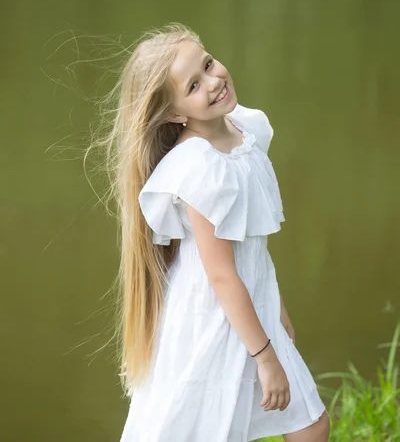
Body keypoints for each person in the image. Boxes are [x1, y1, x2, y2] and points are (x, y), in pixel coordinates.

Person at [102, 23, 330, 441]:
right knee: (205, 428)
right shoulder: (199, 168)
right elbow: (221, 274)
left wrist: (275, 311)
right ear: (174, 113)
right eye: (193, 85)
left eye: (208, 64)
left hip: (249, 307)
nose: (213, 81)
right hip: (211, 320)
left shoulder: (248, 132)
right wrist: (265, 356)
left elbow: (252, 244)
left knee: (310, 427)